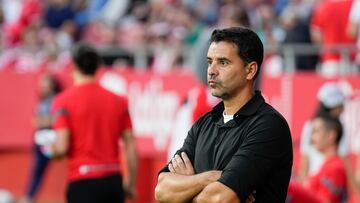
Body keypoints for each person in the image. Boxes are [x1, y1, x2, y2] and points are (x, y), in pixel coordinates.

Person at [155, 27, 293, 203]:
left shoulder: (268, 126)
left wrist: (187, 187)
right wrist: (210, 177)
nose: (212, 71)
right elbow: (161, 190)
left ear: (250, 70)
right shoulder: (204, 123)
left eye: (223, 62)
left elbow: (220, 199)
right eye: (209, 61)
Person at [49, 43, 138, 203]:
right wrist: (130, 183)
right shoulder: (119, 101)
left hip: (82, 180)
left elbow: (61, 148)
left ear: (73, 65)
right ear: (97, 66)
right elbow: (130, 146)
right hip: (113, 181)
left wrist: (52, 150)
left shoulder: (62, 102)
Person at [20, 74, 62, 203]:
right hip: (40, 140)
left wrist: (44, 121)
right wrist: (43, 121)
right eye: (41, 84)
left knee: (43, 167)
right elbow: (35, 121)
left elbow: (55, 119)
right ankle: (29, 196)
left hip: (52, 139)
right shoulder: (42, 101)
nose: (42, 87)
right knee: (37, 170)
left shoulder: (57, 100)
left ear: (52, 85)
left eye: (45, 83)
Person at [287, 115, 347, 203]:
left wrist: (294, 191)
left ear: (331, 135)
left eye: (316, 132)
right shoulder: (327, 165)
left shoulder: (335, 168)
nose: (312, 138)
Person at [298, 82, 347, 181]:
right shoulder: (337, 128)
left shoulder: (309, 125)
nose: (343, 107)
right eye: (341, 104)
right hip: (322, 185)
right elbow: (304, 163)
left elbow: (304, 163)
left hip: (326, 184)